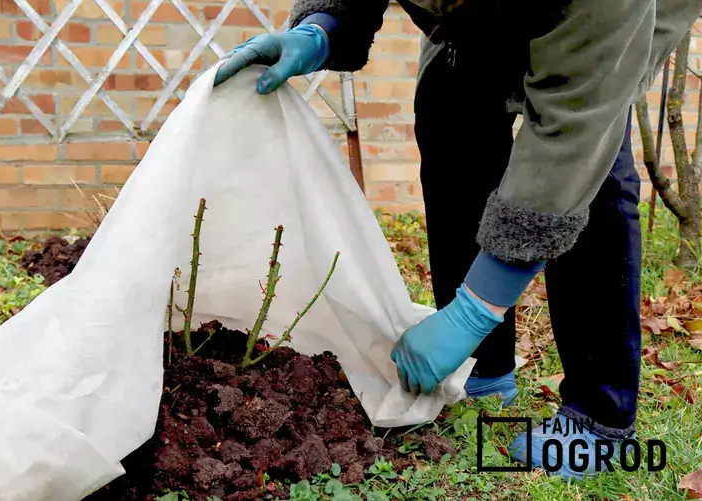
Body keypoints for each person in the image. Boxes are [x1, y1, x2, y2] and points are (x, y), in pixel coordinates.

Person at [212, 0, 702, 478]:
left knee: (592, 164)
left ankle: (601, 416)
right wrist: (322, 26)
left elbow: (573, 131)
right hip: (477, 19)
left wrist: (476, 309)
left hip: (612, 18)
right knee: (450, 102)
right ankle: (483, 371)